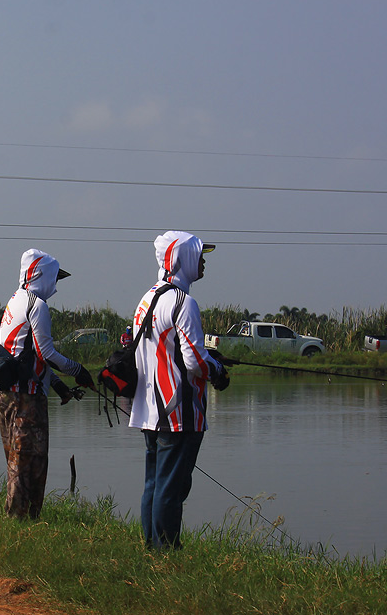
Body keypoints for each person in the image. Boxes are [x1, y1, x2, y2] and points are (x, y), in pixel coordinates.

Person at [128, 231, 230, 550]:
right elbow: (194, 362)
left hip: (148, 410)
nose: (203, 263)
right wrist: (217, 369)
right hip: (178, 413)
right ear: (183, 259)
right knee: (172, 488)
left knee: (154, 484)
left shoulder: (147, 298)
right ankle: (166, 552)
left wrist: (206, 358)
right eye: (200, 256)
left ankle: (151, 546)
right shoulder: (184, 302)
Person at [0, 249, 96, 519]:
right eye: (55, 278)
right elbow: (45, 352)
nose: (56, 285)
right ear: (43, 275)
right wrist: (78, 370)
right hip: (23, 396)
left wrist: (59, 386)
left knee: (19, 459)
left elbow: (26, 357)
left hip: (5, 393)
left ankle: (25, 518)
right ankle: (18, 521)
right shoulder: (36, 305)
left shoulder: (15, 301)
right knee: (27, 462)